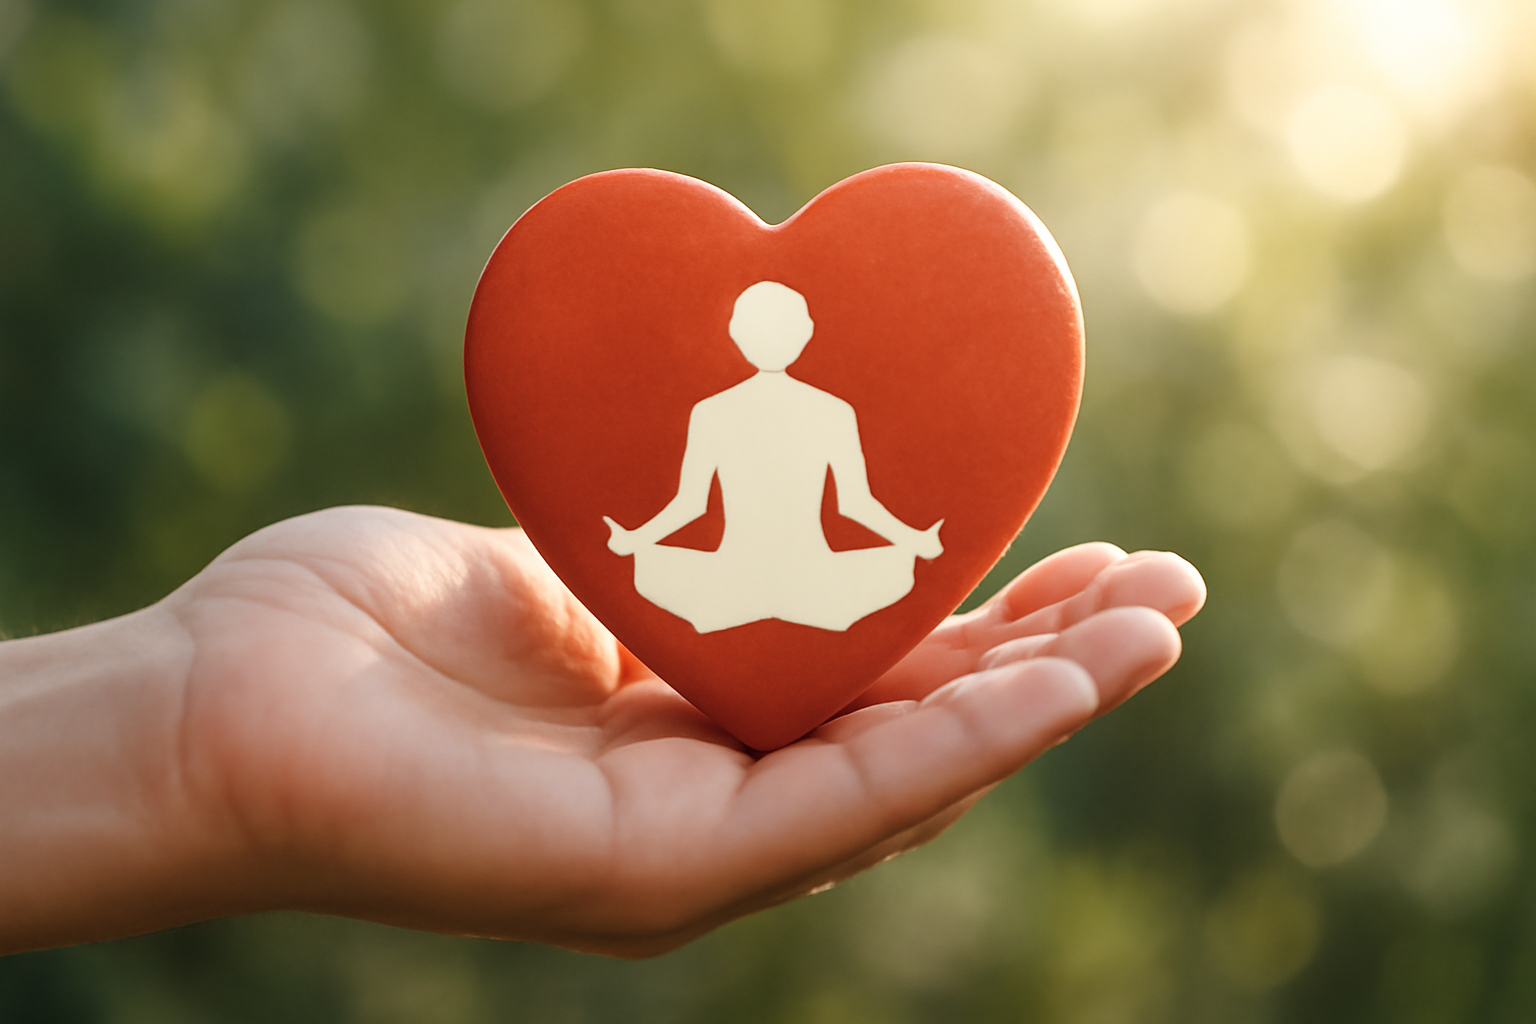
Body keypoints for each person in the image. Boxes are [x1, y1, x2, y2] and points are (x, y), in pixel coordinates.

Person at [0, 505, 1203, 958]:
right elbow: (695, 504)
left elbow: (850, 506)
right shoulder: (733, 406)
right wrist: (637, 542)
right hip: (733, 572)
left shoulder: (803, 408)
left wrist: (905, 544)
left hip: (792, 572)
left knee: (841, 595)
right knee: (757, 595)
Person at [605, 282, 943, 633]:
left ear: (736, 334)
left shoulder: (712, 412)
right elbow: (856, 504)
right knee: (894, 570)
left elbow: (691, 504)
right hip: (814, 584)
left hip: (731, 584)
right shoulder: (833, 412)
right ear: (806, 332)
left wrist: (636, 540)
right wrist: (913, 540)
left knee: (653, 570)